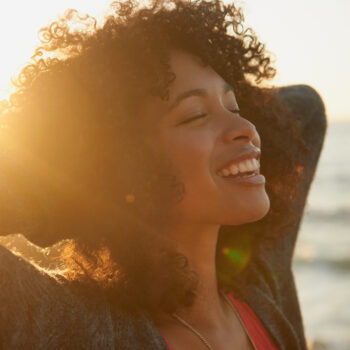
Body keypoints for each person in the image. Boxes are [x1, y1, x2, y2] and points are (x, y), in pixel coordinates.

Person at [0, 0, 327, 349]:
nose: (246, 127)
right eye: (195, 115)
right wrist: (85, 188)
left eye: (234, 106)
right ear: (129, 160)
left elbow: (304, 108)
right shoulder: (79, 326)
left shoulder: (261, 284)